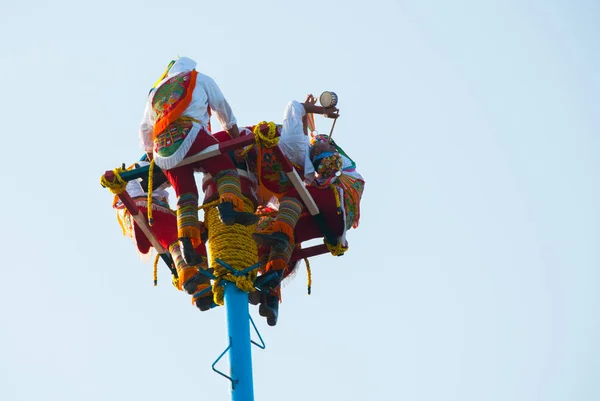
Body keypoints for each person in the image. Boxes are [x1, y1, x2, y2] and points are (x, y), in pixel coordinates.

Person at [139, 56, 258, 268]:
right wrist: (235, 139)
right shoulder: (199, 78)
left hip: (163, 148)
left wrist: (153, 158)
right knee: (225, 170)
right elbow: (223, 109)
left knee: (185, 194)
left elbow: (145, 130)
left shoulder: (155, 92)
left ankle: (186, 242)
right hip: (191, 134)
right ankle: (229, 209)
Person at [252, 95, 365, 296]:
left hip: (337, 206)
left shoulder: (335, 163)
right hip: (329, 224)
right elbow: (300, 128)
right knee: (286, 235)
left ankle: (281, 232)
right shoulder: (303, 156)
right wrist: (311, 113)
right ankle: (272, 287)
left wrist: (318, 111)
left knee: (293, 197)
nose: (323, 145)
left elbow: (295, 112)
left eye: (327, 145)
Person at [113, 160, 213, 311]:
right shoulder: (139, 171)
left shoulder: (145, 176)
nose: (166, 183)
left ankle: (201, 290)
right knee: (182, 233)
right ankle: (190, 276)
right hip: (146, 210)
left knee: (191, 234)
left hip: (149, 212)